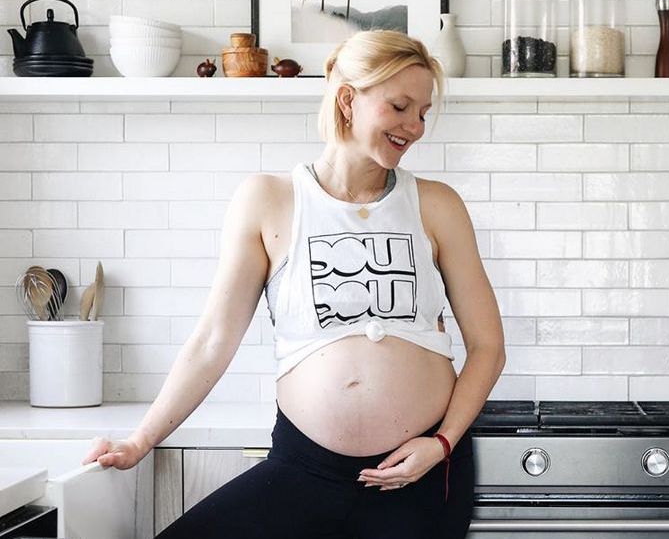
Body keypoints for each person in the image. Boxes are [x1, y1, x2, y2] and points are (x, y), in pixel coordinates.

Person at [82, 29, 506, 539]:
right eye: (400, 106)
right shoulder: (267, 199)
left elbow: (487, 346)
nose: (415, 126)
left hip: (418, 476)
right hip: (304, 469)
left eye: (423, 111)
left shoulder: (439, 205)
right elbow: (214, 341)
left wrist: (441, 445)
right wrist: (139, 441)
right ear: (349, 99)